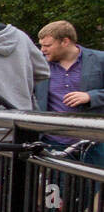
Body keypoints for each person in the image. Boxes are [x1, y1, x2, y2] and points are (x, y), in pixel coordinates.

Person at [37, 20, 104, 166]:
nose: (42, 50)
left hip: (94, 143)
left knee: (93, 187)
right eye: (41, 45)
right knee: (57, 188)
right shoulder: (39, 64)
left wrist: (91, 96)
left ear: (65, 42)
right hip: (53, 144)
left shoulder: (100, 60)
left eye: (47, 45)